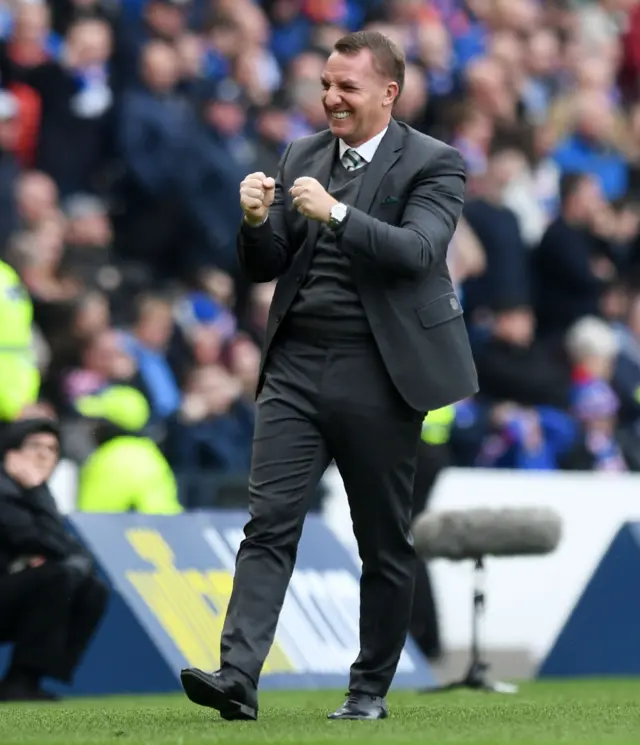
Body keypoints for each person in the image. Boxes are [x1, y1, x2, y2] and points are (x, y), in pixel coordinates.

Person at [180, 30, 477, 722]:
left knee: (381, 537)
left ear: (388, 93)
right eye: (325, 84)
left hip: (381, 371)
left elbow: (419, 252)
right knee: (269, 522)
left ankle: (368, 688)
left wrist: (339, 213)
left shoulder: (437, 163)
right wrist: (256, 221)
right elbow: (267, 261)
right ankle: (238, 675)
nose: (331, 98)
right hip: (294, 365)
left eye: (346, 87)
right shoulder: (301, 154)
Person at [0, 418, 108, 701]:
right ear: (10, 452)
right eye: (35, 446)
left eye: (52, 449)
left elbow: (72, 550)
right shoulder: (13, 490)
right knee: (56, 576)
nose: (44, 455)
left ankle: (25, 679)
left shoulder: (38, 494)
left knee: (90, 588)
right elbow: (29, 537)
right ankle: (19, 682)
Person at [75, 385, 182, 514]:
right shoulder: (150, 452)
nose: (92, 428)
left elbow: (92, 520)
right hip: (164, 530)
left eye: (97, 421)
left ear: (110, 425)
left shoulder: (110, 458)